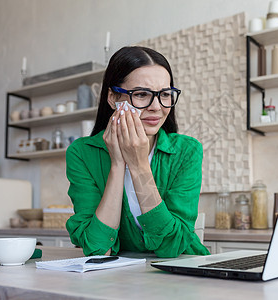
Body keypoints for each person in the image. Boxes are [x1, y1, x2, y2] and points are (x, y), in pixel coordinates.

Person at [66, 46, 209, 258]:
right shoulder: (82, 153)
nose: (156, 107)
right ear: (113, 98)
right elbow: (98, 249)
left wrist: (138, 164)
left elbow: (171, 247)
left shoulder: (187, 151)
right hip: (120, 280)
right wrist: (117, 165)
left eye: (165, 94)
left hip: (183, 270)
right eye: (142, 94)